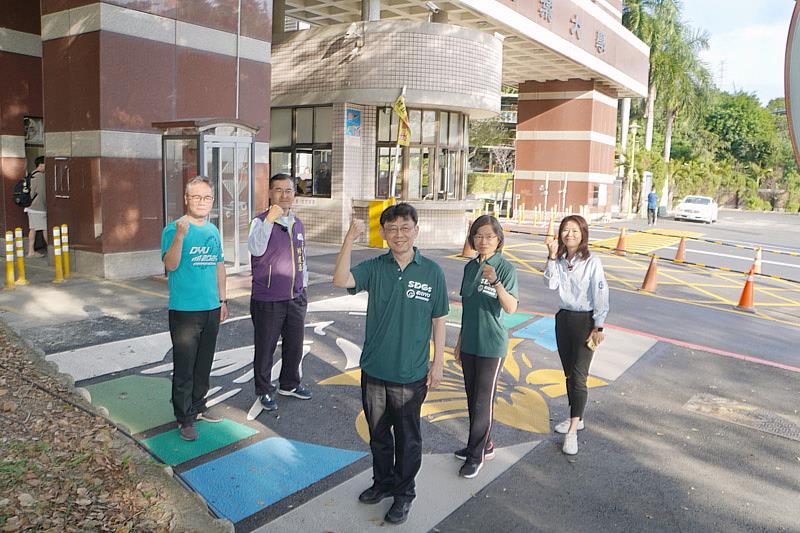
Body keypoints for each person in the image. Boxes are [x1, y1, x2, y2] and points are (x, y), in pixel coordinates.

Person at [333, 203, 448, 525]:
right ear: (383, 233)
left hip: (411, 373)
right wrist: (349, 240)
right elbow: (340, 279)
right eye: (392, 229)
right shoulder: (375, 267)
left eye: (405, 228)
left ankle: (403, 493)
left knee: (408, 439)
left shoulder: (431, 271)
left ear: (416, 230)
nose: (399, 234)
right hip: (374, 369)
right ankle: (382, 483)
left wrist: (437, 363)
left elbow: (439, 320)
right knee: (379, 434)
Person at [161, 176, 228, 442]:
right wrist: (179, 236)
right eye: (197, 197)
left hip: (211, 307)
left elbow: (219, 266)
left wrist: (223, 301)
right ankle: (184, 417)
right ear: (187, 199)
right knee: (185, 366)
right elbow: (171, 265)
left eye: (207, 197)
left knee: (204, 363)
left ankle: (199, 406)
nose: (202, 202)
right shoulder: (174, 228)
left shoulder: (212, 231)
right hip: (185, 311)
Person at [453, 215, 518, 478]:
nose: (483, 241)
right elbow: (467, 308)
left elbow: (511, 307)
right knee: (472, 398)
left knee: (483, 402)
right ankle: (484, 445)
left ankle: (475, 454)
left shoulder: (505, 268)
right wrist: (458, 342)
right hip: (470, 342)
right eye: (478, 235)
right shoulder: (470, 267)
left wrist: (496, 282)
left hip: (492, 344)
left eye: (489, 236)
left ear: (499, 239)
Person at [543, 215, 609, 456]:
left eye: (574, 230)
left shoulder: (592, 262)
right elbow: (550, 285)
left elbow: (601, 294)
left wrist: (598, 326)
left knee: (580, 377)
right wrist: (551, 257)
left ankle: (572, 432)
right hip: (564, 319)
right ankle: (577, 417)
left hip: (586, 321)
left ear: (583, 234)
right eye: (565, 230)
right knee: (569, 373)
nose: (569, 234)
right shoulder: (559, 260)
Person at [248, 174, 311, 413]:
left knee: (294, 345)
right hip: (268, 298)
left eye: (289, 190)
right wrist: (268, 222)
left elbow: (302, 257)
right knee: (266, 347)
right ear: (270, 193)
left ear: (294, 194)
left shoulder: (297, 223)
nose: (284, 195)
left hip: (295, 296)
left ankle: (289, 384)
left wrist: (304, 286)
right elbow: (256, 248)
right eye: (279, 190)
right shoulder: (260, 221)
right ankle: (264, 389)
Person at [25, 156, 47, 257]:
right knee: (45, 228)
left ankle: (31, 251)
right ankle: (53, 252)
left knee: (33, 229)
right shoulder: (40, 176)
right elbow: (42, 194)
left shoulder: (31, 174)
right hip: (39, 208)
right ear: (41, 164)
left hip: (30, 207)